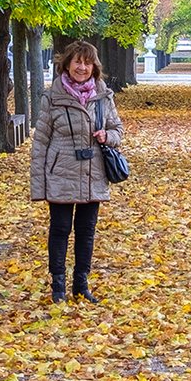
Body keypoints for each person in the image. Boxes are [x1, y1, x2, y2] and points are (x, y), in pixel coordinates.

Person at [29, 40, 123, 303]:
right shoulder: (53, 97)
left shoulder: (104, 96)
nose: (82, 67)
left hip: (94, 173)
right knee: (59, 229)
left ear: (94, 67)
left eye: (87, 62)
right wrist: (38, 187)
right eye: (77, 62)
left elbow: (118, 130)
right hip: (60, 173)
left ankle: (81, 284)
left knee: (87, 230)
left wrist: (108, 136)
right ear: (67, 64)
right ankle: (58, 286)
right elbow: (40, 143)